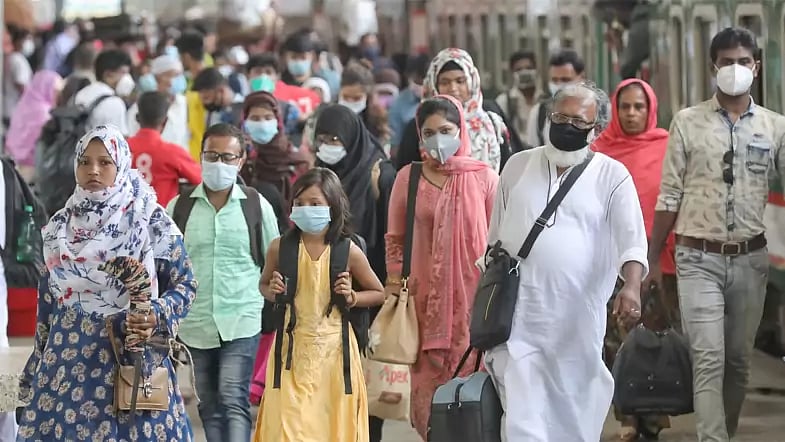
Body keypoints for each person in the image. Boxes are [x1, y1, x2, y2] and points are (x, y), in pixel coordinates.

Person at [484, 81, 647, 441]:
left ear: (596, 130)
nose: (567, 126)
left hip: (576, 321)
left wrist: (632, 287)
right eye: (560, 117)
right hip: (518, 319)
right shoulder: (517, 166)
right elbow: (493, 241)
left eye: (578, 121)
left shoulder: (611, 177)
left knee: (573, 416)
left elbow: (632, 242)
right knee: (522, 422)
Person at [16, 125, 197, 441]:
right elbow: (47, 311)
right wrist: (35, 368)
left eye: (105, 162)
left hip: (127, 362)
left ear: (122, 164)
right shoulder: (59, 227)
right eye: (85, 162)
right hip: (65, 371)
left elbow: (184, 284)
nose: (93, 170)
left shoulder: (150, 221)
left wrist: (154, 312)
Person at [647, 27, 785, 442]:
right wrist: (652, 258)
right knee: (708, 359)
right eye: (726, 62)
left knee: (739, 362)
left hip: (751, 260)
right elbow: (669, 194)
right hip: (696, 257)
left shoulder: (775, 128)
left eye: (743, 61)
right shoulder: (686, 123)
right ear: (713, 68)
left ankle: (724, 431)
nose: (735, 69)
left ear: (757, 67)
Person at [385, 95, 498, 438]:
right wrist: (394, 284)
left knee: (471, 397)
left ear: (460, 130)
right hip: (422, 307)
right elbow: (395, 238)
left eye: (446, 130)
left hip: (473, 305)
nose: (438, 140)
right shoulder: (409, 178)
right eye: (429, 133)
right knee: (429, 403)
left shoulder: (484, 178)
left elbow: (499, 244)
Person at [255, 167, 385, 442]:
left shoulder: (347, 250)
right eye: (299, 203)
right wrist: (274, 291)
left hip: (335, 357)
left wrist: (352, 297)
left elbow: (378, 292)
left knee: (331, 429)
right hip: (290, 353)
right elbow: (264, 285)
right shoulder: (280, 247)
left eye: (315, 204)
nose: (306, 209)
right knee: (288, 429)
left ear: (333, 206)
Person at [167, 123, 279, 442]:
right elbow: (167, 263)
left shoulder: (256, 205)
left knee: (233, 398)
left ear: (241, 161)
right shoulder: (180, 207)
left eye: (227, 157)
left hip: (242, 316)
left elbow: (275, 256)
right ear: (200, 157)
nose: (219, 163)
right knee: (209, 403)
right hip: (195, 320)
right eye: (212, 155)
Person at [593, 78, 677, 441]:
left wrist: (656, 256)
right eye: (624, 106)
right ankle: (627, 415)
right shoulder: (598, 151)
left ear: (650, 109)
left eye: (638, 107)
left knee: (655, 340)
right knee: (617, 345)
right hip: (607, 264)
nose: (630, 113)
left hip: (658, 262)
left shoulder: (667, 148)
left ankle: (653, 420)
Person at [394, 48, 511, 172]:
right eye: (445, 82)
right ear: (434, 85)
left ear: (472, 82)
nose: (453, 88)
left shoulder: (492, 123)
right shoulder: (419, 127)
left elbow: (509, 172)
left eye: (460, 81)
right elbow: (406, 176)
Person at [240, 91, 309, 230]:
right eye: (255, 118)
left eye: (268, 117)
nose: (262, 124)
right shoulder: (240, 160)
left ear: (277, 121)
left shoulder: (296, 160)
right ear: (245, 122)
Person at [128, 91, 202, 206]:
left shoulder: (121, 148)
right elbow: (201, 179)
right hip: (160, 219)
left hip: (124, 219)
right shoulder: (173, 153)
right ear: (165, 121)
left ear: (137, 118)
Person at [5, 70, 63, 182]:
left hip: (12, 162)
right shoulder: (45, 113)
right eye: (55, 91)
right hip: (32, 166)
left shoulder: (23, 104)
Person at [126, 55, 189, 150]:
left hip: (178, 159)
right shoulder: (141, 106)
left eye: (179, 75)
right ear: (157, 78)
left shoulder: (184, 103)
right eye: (172, 75)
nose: (177, 79)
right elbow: (132, 136)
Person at [526, 49, 585, 147]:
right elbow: (532, 151)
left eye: (565, 79)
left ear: (581, 77)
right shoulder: (539, 113)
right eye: (554, 80)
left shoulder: (600, 112)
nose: (559, 85)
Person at [187, 67, 243, 160]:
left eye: (207, 97)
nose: (206, 103)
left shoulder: (242, 110)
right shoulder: (213, 112)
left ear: (221, 90)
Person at [73, 49, 133, 134]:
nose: (127, 78)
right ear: (107, 74)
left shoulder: (81, 93)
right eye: (123, 73)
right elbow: (118, 140)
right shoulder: (114, 102)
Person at [495, 50, 540, 140]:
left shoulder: (545, 99)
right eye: (519, 70)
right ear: (512, 73)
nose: (524, 73)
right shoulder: (504, 102)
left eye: (529, 68)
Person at [389, 54, 429, 150]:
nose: (420, 86)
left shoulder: (444, 101)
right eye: (416, 82)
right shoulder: (399, 102)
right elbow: (395, 143)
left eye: (424, 82)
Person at [3, 25, 34, 124]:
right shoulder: (17, 60)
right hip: (15, 109)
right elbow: (20, 84)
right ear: (17, 41)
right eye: (26, 39)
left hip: (8, 108)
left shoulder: (11, 58)